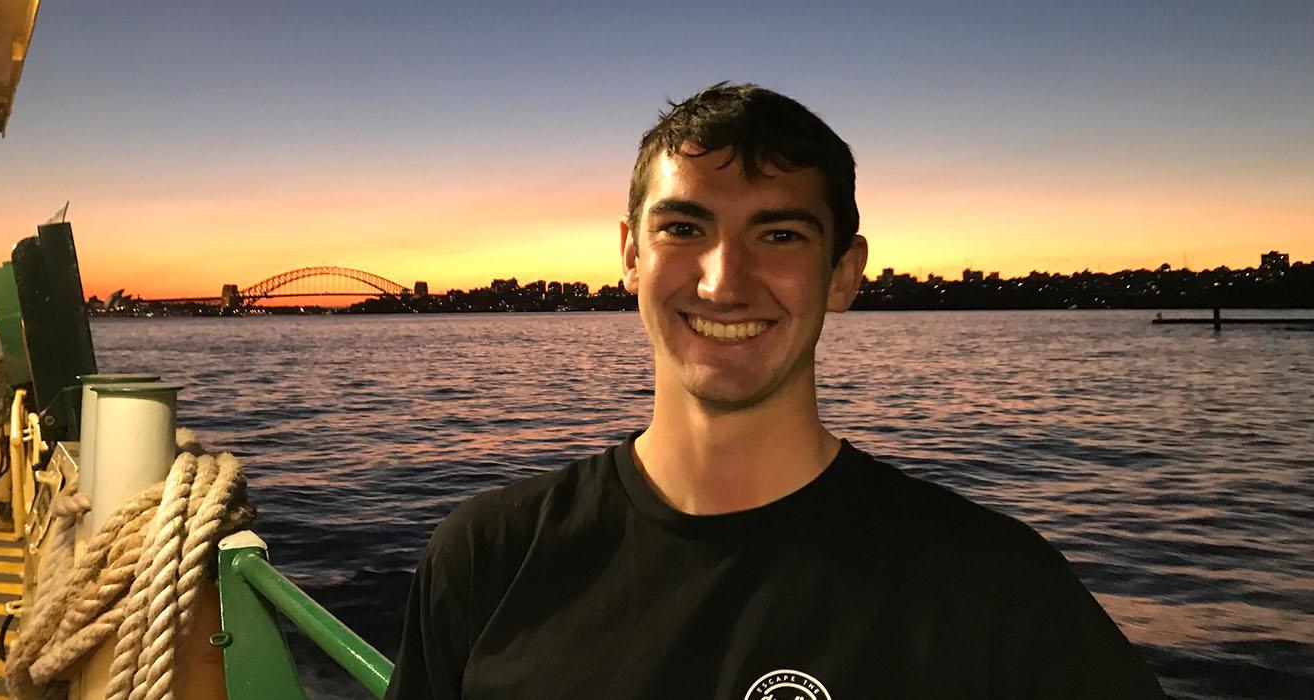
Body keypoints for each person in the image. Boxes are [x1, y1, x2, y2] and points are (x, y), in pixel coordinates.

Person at [383, 82, 1166, 699]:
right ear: (629, 254)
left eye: (780, 235)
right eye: (683, 229)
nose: (725, 283)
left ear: (845, 273)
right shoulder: (488, 555)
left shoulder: (994, 587)